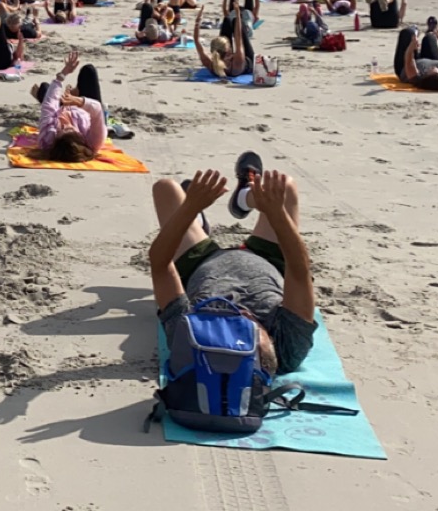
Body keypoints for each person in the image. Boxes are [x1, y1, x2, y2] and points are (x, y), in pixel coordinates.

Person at [147, 162, 319, 376]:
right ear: (271, 343)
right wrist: (275, 213)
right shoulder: (289, 346)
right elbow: (299, 268)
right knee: (284, 186)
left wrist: (190, 207)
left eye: (231, 327)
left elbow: (160, 264)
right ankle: (243, 198)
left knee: (165, 188)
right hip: (268, 259)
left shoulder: (188, 336)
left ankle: (196, 222)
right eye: (249, 327)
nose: (242, 313)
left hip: (199, 262)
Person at [31, 51, 107, 162]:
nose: (67, 125)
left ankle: (68, 95)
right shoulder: (92, 143)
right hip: (88, 111)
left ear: (57, 137)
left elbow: (49, 105)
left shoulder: (48, 136)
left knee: (44, 88)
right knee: (89, 70)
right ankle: (75, 93)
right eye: (71, 129)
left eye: (63, 129)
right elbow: (97, 110)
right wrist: (77, 101)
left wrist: (63, 74)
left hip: (60, 109)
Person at [393, 20, 438, 90]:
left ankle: (413, 31)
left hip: (406, 64)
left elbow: (409, 60)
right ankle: (430, 32)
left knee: (407, 33)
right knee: (430, 37)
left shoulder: (417, 78)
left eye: (430, 70)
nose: (432, 67)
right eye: (436, 68)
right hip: (430, 58)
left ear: (426, 76)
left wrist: (412, 46)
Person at [193, 5, 253, 79]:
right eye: (230, 46)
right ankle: (246, 26)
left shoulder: (210, 63)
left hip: (226, 60)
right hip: (248, 62)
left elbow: (196, 40)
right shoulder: (238, 61)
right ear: (228, 52)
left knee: (227, 20)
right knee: (236, 22)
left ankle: (234, 21)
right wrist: (238, 15)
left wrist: (198, 21)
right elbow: (238, 38)